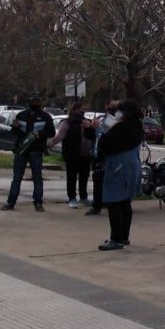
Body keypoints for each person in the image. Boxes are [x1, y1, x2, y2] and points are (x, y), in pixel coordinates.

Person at [98, 99, 145, 251]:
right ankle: (124, 236)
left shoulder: (121, 129)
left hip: (119, 166)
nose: (116, 113)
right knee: (125, 202)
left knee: (114, 202)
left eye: (118, 110)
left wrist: (102, 130)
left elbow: (105, 145)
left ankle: (115, 239)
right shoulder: (137, 126)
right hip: (132, 165)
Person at [0, 93, 55, 212]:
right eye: (32, 101)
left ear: (40, 103)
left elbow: (52, 132)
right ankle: (10, 202)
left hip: (36, 150)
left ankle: (38, 202)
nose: (34, 104)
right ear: (28, 103)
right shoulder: (21, 115)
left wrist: (40, 134)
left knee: (37, 178)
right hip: (21, 151)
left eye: (37, 101)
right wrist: (15, 126)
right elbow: (14, 133)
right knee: (17, 177)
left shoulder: (46, 116)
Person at [50, 101, 95, 209]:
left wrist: (90, 127)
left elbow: (93, 136)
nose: (81, 112)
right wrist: (50, 144)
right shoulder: (67, 122)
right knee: (72, 177)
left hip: (85, 154)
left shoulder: (87, 122)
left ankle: (83, 197)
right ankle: (72, 197)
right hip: (71, 153)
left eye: (83, 110)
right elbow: (60, 135)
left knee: (84, 176)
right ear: (73, 110)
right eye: (79, 109)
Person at [86, 99, 120, 216]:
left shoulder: (117, 121)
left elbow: (108, 135)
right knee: (98, 181)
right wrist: (89, 127)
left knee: (108, 181)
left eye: (116, 106)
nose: (113, 108)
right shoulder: (102, 118)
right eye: (111, 105)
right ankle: (97, 205)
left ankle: (106, 202)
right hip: (97, 154)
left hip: (108, 156)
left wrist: (98, 128)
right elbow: (94, 136)